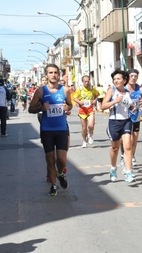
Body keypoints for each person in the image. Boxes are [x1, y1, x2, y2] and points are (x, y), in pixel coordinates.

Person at [28, 64, 73, 196]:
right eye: (50, 72)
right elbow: (31, 109)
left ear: (59, 75)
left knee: (61, 159)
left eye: (55, 72)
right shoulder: (41, 91)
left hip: (61, 128)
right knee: (50, 158)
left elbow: (70, 105)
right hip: (47, 129)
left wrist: (67, 108)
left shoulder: (65, 90)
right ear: (46, 75)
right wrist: (41, 108)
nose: (53, 75)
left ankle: (60, 174)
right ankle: (54, 185)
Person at [101, 69, 136, 183]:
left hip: (126, 121)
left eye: (118, 79)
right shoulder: (111, 91)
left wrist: (133, 108)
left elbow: (129, 106)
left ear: (124, 80)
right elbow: (103, 106)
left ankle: (128, 171)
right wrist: (115, 101)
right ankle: (113, 168)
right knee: (115, 148)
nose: (116, 81)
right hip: (114, 122)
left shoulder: (127, 92)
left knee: (127, 147)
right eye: (114, 79)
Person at [118, 69, 142, 173]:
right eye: (131, 76)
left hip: (136, 117)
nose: (133, 78)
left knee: (134, 140)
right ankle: (124, 155)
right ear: (127, 77)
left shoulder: (140, 89)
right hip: (124, 117)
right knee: (126, 140)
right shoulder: (122, 89)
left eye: (135, 76)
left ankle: (131, 156)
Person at [73, 75, 99, 148]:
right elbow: (75, 98)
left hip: (90, 109)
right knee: (84, 127)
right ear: (82, 81)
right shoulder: (80, 89)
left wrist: (95, 100)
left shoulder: (92, 88)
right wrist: (79, 102)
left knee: (91, 125)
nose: (87, 83)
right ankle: (84, 141)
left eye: (88, 81)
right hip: (82, 110)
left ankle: (90, 135)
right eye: (85, 81)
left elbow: (97, 95)